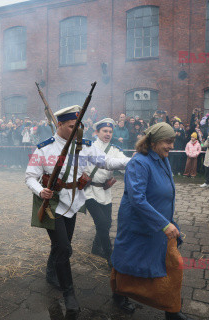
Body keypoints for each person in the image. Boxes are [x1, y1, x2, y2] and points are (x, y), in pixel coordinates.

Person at [25, 106, 130, 315]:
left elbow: (107, 161)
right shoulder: (44, 148)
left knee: (62, 245)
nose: (75, 131)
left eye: (78, 127)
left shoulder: (85, 146)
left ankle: (50, 271)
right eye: (71, 127)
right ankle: (69, 294)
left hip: (73, 203)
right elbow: (29, 176)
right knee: (64, 248)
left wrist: (134, 161)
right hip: (52, 203)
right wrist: (40, 190)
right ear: (59, 124)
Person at [111, 122, 192, 320]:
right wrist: (164, 224)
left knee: (169, 265)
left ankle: (172, 311)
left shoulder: (161, 157)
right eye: (168, 141)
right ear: (154, 142)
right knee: (127, 262)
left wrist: (166, 220)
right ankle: (119, 294)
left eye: (173, 141)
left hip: (159, 222)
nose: (171, 146)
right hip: (139, 225)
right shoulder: (139, 162)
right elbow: (137, 198)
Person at [84, 119, 130, 269]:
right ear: (97, 132)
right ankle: (110, 256)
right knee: (102, 223)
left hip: (105, 190)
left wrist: (136, 162)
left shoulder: (115, 149)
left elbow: (123, 164)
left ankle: (96, 248)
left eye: (110, 131)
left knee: (108, 223)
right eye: (105, 131)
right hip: (89, 190)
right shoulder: (88, 147)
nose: (108, 134)